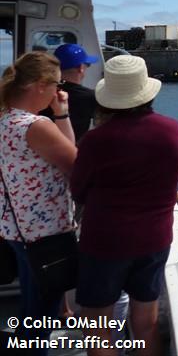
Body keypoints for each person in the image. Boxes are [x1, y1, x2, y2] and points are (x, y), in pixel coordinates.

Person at [71, 55, 178, 356]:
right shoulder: (172, 129)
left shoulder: (96, 140)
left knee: (96, 324)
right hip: (155, 239)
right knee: (145, 320)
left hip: (105, 242)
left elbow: (78, 191)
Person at [0, 52, 77, 355]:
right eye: (57, 86)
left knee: (33, 309)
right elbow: (78, 165)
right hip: (48, 234)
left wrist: (62, 113)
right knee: (40, 317)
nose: (60, 92)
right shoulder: (35, 126)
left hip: (18, 231)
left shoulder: (6, 120)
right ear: (39, 85)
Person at [41, 43, 99, 143]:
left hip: (41, 149)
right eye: (87, 65)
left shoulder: (42, 92)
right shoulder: (91, 97)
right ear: (81, 68)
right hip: (71, 151)